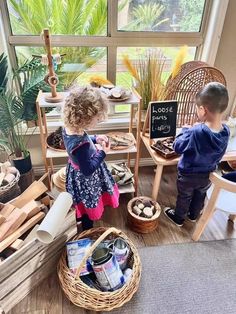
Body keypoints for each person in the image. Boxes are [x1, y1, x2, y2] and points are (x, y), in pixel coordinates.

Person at [164, 82, 230, 226]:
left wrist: (185, 131)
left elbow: (177, 147)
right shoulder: (225, 132)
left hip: (188, 175)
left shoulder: (195, 132)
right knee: (200, 195)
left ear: (203, 110)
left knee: (184, 196)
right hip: (208, 175)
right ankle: (193, 215)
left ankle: (179, 218)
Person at [62, 86, 119, 231]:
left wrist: (94, 138)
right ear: (85, 119)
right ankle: (87, 230)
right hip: (86, 179)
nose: (98, 121)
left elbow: (83, 139)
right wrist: (102, 153)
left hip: (75, 174)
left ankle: (80, 220)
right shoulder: (80, 145)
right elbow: (88, 170)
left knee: (80, 201)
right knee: (88, 203)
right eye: (96, 119)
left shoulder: (69, 128)